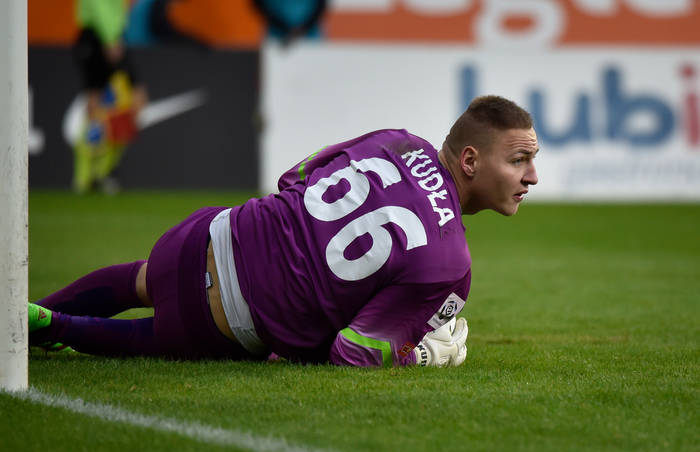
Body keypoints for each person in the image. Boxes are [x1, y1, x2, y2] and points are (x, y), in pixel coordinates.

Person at [29, 95, 539, 367]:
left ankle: (32, 312)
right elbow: (353, 352)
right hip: (225, 319)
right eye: (518, 160)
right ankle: (50, 326)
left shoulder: (396, 140)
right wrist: (418, 356)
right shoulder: (451, 265)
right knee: (156, 337)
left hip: (205, 232)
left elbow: (295, 176)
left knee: (140, 280)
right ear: (469, 161)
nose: (532, 177)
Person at [72, 0, 148, 193]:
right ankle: (84, 175)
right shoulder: (105, 34)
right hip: (99, 38)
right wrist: (110, 39)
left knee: (131, 104)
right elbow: (99, 6)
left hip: (114, 37)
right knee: (95, 106)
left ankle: (101, 172)